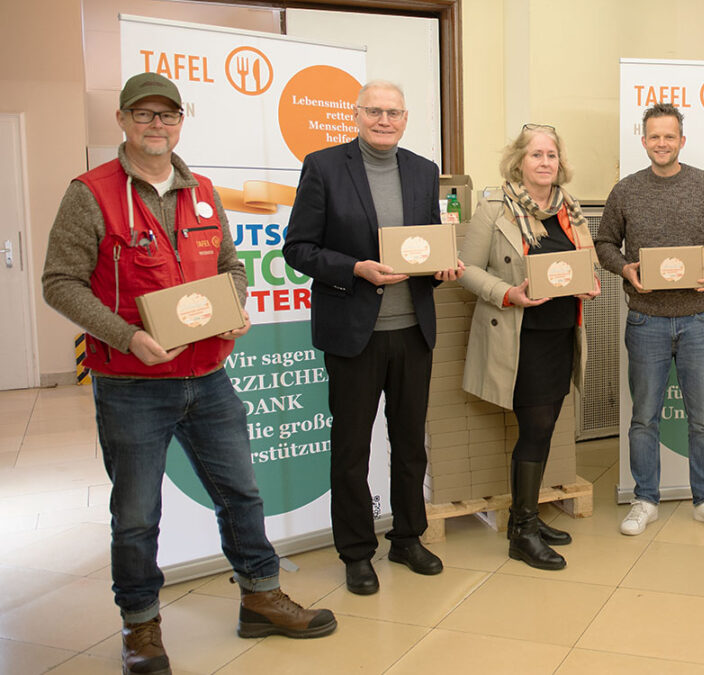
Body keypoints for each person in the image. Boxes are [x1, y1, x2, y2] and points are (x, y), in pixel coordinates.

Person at [41, 73, 336, 675]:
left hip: (208, 376)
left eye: (167, 115)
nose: (157, 125)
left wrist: (233, 310)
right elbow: (60, 282)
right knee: (137, 514)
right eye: (144, 115)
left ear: (181, 121)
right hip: (131, 383)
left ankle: (260, 597)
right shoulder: (89, 193)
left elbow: (229, 265)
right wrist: (127, 337)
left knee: (241, 495)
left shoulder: (200, 189)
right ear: (122, 121)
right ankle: (141, 627)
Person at [282, 80, 464, 595]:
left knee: (410, 445)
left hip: (412, 331)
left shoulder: (423, 170)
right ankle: (357, 551)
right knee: (352, 448)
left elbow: (426, 242)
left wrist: (442, 268)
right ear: (356, 114)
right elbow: (297, 249)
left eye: (394, 113)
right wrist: (355, 268)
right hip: (354, 335)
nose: (384, 120)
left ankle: (408, 537)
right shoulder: (324, 167)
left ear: (406, 118)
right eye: (374, 111)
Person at [595, 103, 704, 537]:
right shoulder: (625, 191)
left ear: (682, 140)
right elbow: (604, 242)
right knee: (644, 418)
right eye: (654, 137)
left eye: (669, 136)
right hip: (646, 321)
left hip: (699, 320)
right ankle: (645, 499)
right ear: (643, 141)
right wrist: (625, 269)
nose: (662, 143)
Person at [459, 124, 600, 571]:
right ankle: (521, 530)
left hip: (561, 332)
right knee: (535, 428)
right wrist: (508, 293)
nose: (545, 162)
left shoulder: (571, 209)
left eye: (552, 155)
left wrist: (589, 283)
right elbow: (466, 271)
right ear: (519, 161)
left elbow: (585, 262)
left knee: (547, 424)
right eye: (536, 154)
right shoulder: (494, 208)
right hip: (519, 338)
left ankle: (531, 519)